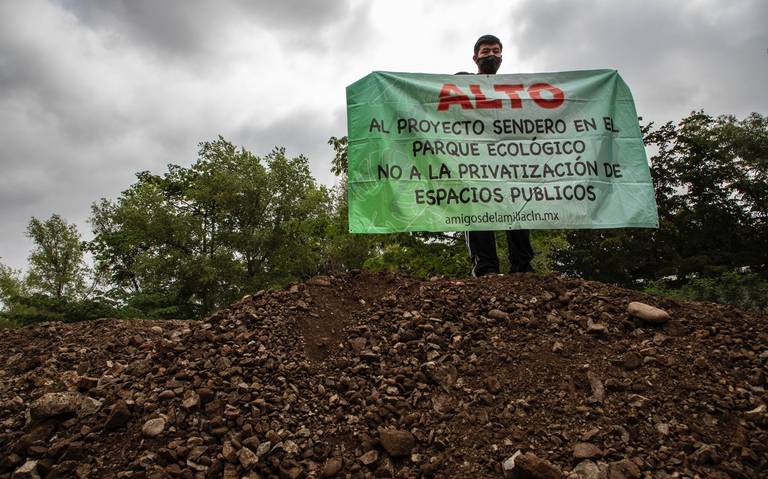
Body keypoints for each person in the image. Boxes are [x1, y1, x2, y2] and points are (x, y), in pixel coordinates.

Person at [464, 34, 535, 276]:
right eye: (485, 51)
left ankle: (522, 268)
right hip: (475, 162)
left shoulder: (514, 88)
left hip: (509, 163)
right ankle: (485, 270)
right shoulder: (462, 82)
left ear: (502, 56)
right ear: (475, 57)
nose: (491, 55)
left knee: (518, 208)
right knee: (478, 211)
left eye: (495, 51)